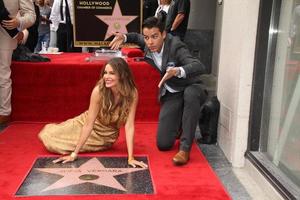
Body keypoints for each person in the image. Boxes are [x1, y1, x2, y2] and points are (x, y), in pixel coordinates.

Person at [109, 16, 207, 166]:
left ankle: (184, 148)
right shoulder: (148, 44)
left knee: (191, 94)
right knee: (163, 144)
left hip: (191, 87)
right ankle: (181, 121)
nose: (150, 42)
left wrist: (178, 71)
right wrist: (124, 36)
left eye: (154, 37)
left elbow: (199, 65)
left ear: (164, 34)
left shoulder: (176, 46)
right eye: (147, 37)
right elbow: (137, 37)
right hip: (172, 93)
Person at [38, 57, 147, 168]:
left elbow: (129, 126)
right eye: (105, 73)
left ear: (122, 75)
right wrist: (74, 154)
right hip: (84, 123)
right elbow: (88, 124)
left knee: (57, 145)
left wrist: (131, 158)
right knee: (48, 135)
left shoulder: (132, 93)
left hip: (106, 137)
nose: (106, 77)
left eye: (112, 73)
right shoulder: (99, 91)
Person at [0, 0, 36, 125]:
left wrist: (19, 22)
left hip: (4, 38)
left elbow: (31, 15)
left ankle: (4, 113)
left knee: (2, 76)